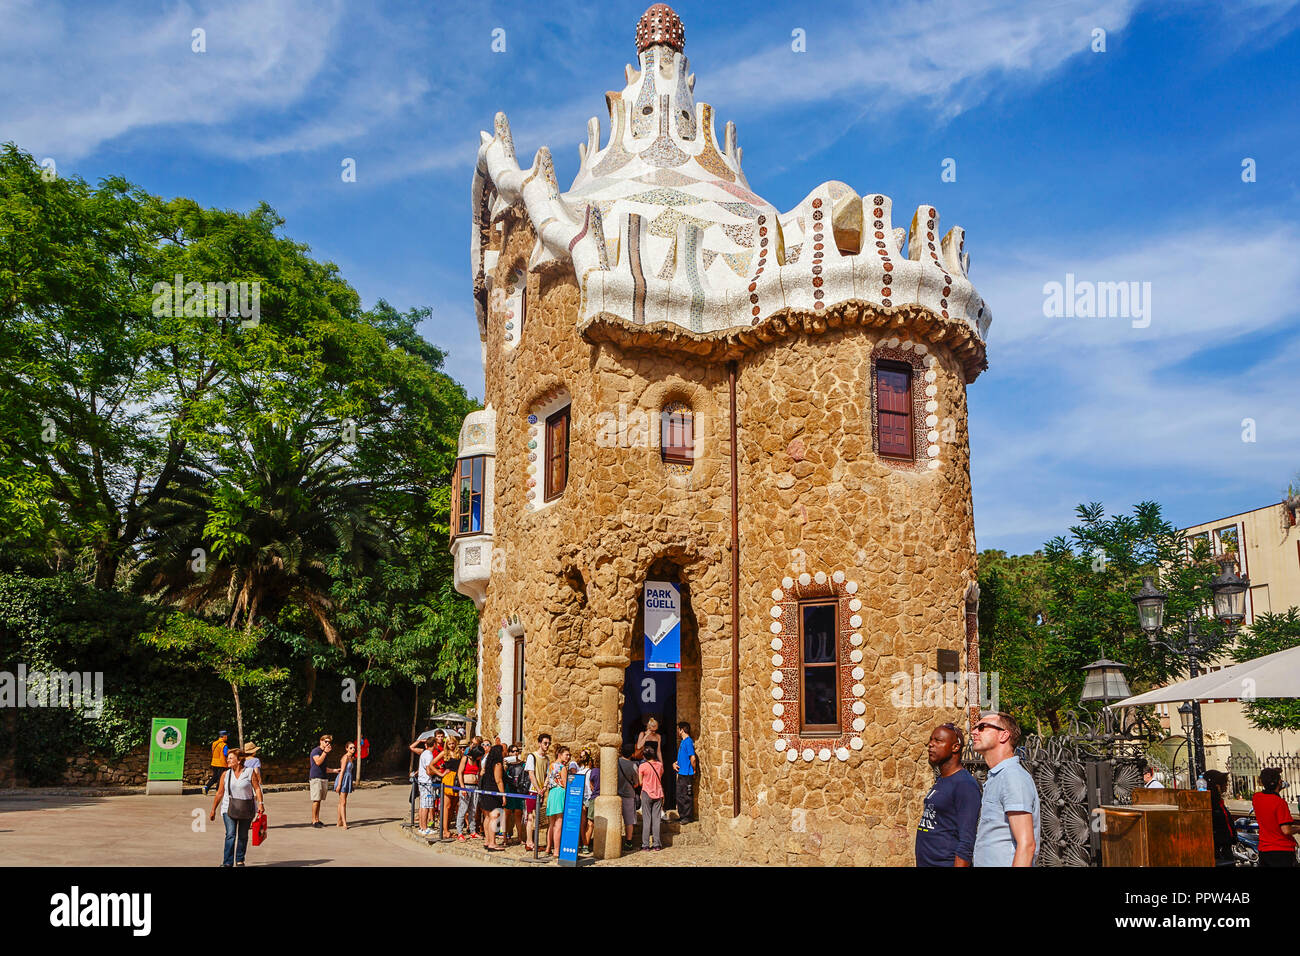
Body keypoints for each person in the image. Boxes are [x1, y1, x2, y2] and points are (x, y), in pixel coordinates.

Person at [970, 712, 1038, 867]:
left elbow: (1027, 845)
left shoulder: (1012, 777)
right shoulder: (997, 777)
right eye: (974, 728)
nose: (974, 732)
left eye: (981, 727)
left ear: (1003, 735)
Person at [915, 723, 981, 867]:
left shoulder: (964, 784)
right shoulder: (942, 780)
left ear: (955, 747)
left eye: (938, 741)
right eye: (931, 740)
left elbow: (966, 841)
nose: (931, 745)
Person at [209, 746, 264, 867]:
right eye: (228, 758)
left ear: (239, 760)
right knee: (230, 834)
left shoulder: (249, 772)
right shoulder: (226, 774)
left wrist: (260, 803)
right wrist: (213, 809)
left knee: (243, 835)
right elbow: (219, 793)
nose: (228, 760)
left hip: (246, 808)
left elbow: (257, 788)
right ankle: (227, 862)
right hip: (228, 808)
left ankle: (240, 860)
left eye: (230, 758)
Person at [1252, 767, 1299, 867]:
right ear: (1279, 782)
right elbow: (1286, 830)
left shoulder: (1257, 798)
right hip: (1281, 851)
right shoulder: (1280, 803)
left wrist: (1271, 776)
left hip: (1264, 849)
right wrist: (1298, 828)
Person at [1202, 770, 1237, 866]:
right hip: (1218, 850)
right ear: (1216, 785)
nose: (1226, 785)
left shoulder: (1219, 802)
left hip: (1225, 847)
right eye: (1224, 783)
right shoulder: (1211, 804)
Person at [525, 733, 552, 852]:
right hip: (532, 790)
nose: (547, 746)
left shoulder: (547, 759)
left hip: (541, 791)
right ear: (540, 743)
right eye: (545, 743)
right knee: (530, 816)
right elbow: (531, 774)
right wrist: (538, 789)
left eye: (548, 743)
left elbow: (547, 774)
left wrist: (544, 787)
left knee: (538, 818)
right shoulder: (532, 756)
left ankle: (534, 841)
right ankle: (529, 842)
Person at [434, 735, 463, 839]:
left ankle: (447, 828)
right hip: (448, 779)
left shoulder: (459, 753)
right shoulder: (444, 753)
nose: (451, 745)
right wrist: (441, 774)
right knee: (446, 806)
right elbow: (431, 765)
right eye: (449, 744)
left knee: (454, 806)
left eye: (453, 743)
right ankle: (444, 830)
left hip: (457, 779)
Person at [544, 745, 571, 857]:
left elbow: (547, 780)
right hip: (560, 793)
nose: (568, 757)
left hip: (552, 793)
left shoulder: (551, 766)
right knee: (558, 823)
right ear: (560, 755)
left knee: (551, 824)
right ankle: (556, 850)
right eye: (567, 754)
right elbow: (565, 784)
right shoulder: (562, 768)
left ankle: (548, 848)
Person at [479, 744, 507, 852]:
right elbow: (498, 780)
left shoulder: (488, 762)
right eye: (504, 750)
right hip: (493, 793)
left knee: (488, 817)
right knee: (494, 816)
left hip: (486, 791)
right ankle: (492, 843)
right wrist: (503, 795)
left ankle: (487, 841)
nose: (505, 752)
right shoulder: (497, 763)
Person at [638, 741, 665, 851]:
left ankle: (645, 845)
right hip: (658, 793)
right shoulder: (659, 765)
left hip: (646, 793)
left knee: (647, 819)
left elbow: (640, 782)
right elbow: (661, 776)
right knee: (656, 819)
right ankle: (656, 844)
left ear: (644, 756)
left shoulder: (642, 766)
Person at [457, 739, 483, 840]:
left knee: (473, 809)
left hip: (475, 786)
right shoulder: (465, 759)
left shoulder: (478, 761)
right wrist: (462, 787)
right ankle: (459, 831)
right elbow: (460, 773)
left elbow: (479, 771)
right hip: (466, 786)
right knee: (463, 809)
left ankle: (473, 830)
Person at [415, 736, 442, 835]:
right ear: (434, 744)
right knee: (426, 806)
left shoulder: (424, 753)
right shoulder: (429, 755)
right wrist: (438, 771)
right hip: (426, 782)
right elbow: (428, 770)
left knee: (423, 805)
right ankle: (425, 827)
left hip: (422, 781)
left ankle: (422, 827)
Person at [503, 743, 528, 846]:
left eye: (517, 750)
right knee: (506, 814)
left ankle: (520, 837)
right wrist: (504, 765)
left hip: (518, 790)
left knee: (518, 814)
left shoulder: (523, 764)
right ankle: (504, 837)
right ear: (509, 753)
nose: (515, 753)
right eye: (513, 751)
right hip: (509, 789)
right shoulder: (506, 764)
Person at [617, 742, 640, 852]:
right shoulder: (633, 765)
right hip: (628, 795)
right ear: (632, 753)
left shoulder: (615, 762)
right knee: (629, 820)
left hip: (616, 794)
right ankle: (628, 842)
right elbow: (636, 783)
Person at [673, 721, 697, 823]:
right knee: (680, 795)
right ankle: (682, 815)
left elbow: (693, 758)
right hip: (681, 773)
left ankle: (687, 817)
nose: (677, 731)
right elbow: (683, 758)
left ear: (682, 730)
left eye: (678, 729)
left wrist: (694, 769)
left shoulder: (688, 741)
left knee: (686, 795)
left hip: (687, 774)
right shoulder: (683, 742)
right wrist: (675, 764)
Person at [309, 734, 334, 827]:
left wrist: (334, 770)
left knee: (319, 800)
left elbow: (324, 768)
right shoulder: (316, 751)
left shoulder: (324, 752)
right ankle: (313, 821)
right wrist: (325, 753)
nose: (327, 743)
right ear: (321, 741)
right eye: (326, 741)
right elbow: (318, 762)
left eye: (329, 742)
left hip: (323, 777)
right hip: (316, 778)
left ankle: (317, 819)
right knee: (316, 800)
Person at [333, 740, 356, 828]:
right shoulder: (345, 757)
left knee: (341, 802)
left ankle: (339, 822)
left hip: (348, 780)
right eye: (351, 748)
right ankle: (344, 823)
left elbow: (350, 771)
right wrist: (339, 785)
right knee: (343, 802)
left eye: (354, 747)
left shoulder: (351, 758)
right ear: (346, 749)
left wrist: (352, 784)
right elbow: (342, 771)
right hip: (342, 780)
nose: (353, 749)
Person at [577, 749, 597, 853]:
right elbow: (591, 786)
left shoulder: (578, 772)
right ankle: (585, 845)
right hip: (589, 797)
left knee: (582, 822)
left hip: (581, 798)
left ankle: (582, 842)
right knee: (590, 822)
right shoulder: (591, 772)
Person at [204, 730, 229, 794]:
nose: (227, 737)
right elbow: (225, 754)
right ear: (224, 736)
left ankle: (206, 787)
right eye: (226, 736)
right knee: (220, 778)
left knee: (215, 776)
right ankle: (218, 790)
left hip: (214, 763)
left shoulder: (214, 743)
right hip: (221, 763)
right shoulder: (224, 745)